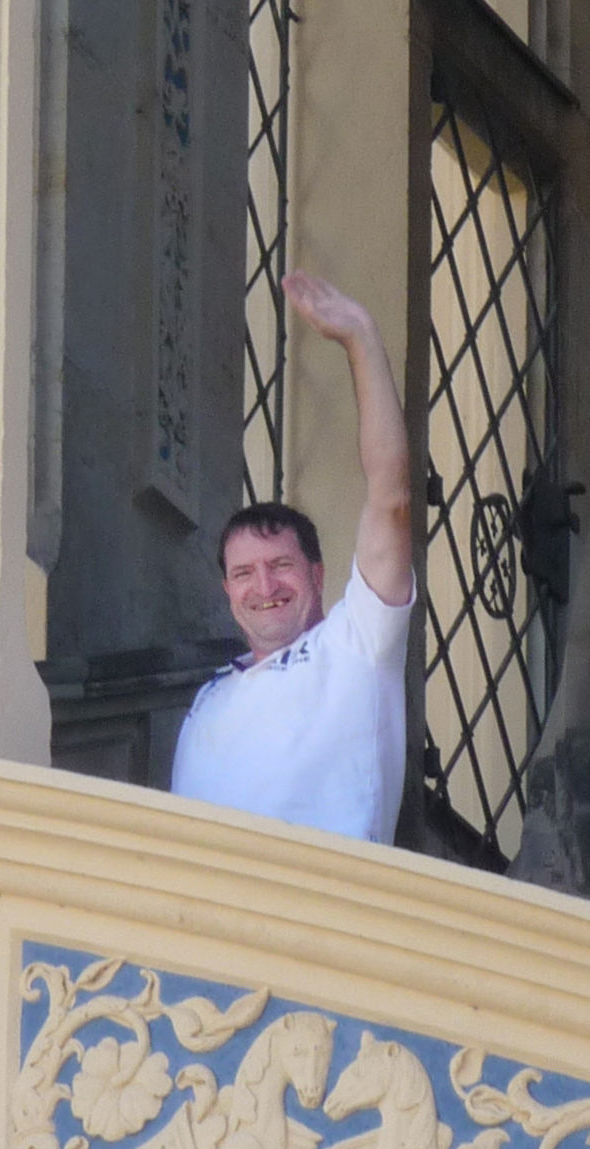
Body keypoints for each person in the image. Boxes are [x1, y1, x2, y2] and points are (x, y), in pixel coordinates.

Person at [171, 272, 415, 842]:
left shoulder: (358, 642)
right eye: (243, 573)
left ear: (317, 573)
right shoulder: (209, 697)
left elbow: (392, 496)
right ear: (227, 591)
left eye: (280, 565)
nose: (264, 586)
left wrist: (361, 339)